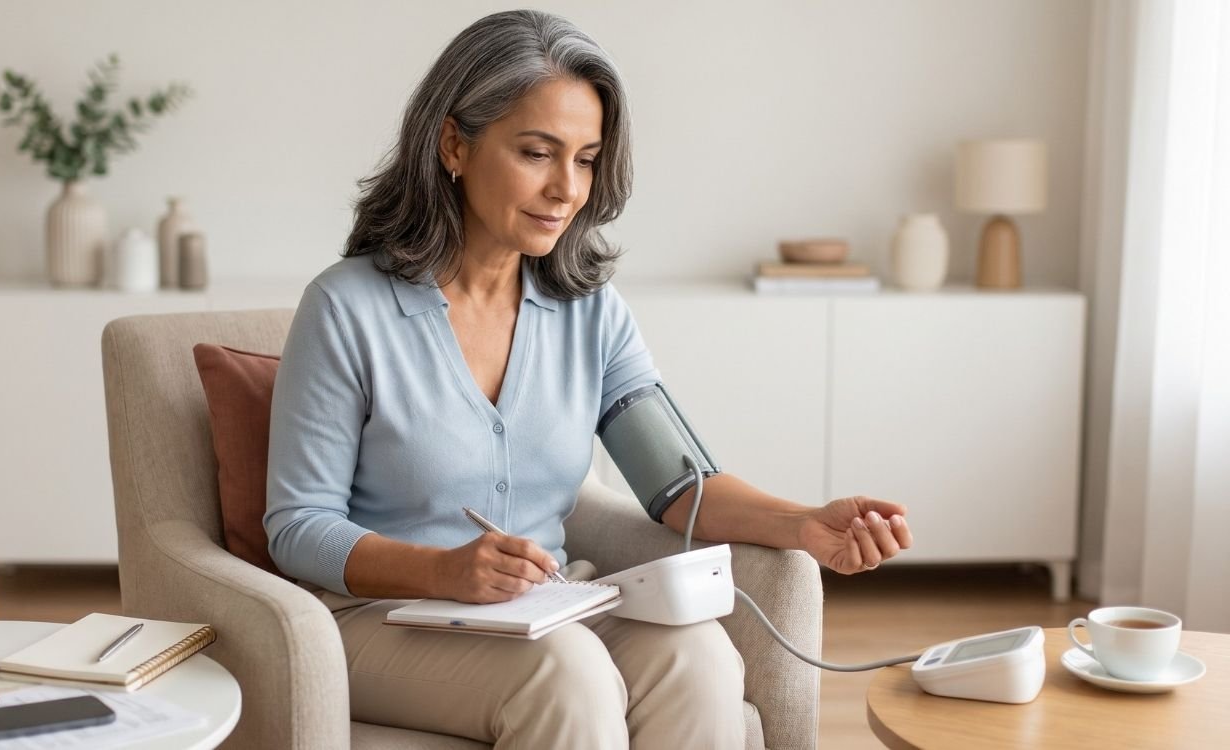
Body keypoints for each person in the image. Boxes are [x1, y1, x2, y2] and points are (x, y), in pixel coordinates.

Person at [265, 9, 914, 748]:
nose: (566, 189)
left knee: (700, 657)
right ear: (454, 145)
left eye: (585, 159)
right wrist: (443, 571)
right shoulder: (345, 308)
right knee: (565, 674)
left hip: (543, 607)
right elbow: (299, 527)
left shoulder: (590, 311)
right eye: (537, 153)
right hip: (377, 618)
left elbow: (679, 486)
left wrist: (803, 523)